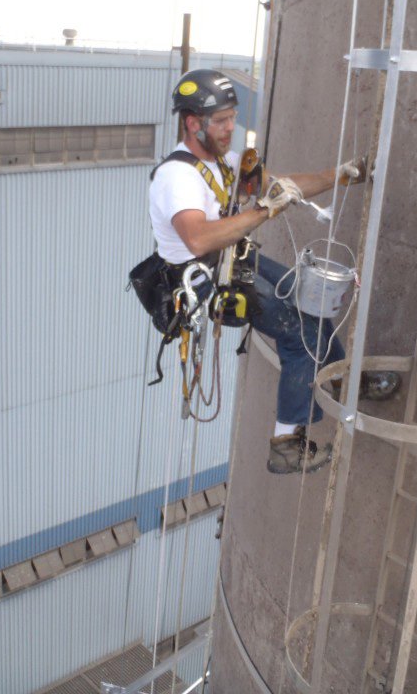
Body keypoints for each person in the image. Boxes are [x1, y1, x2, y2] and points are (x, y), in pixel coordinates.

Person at [148, 69, 399, 474]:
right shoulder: (177, 178)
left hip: (233, 261)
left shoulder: (224, 163)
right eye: (221, 120)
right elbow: (197, 239)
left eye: (232, 116)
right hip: (208, 282)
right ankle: (285, 444)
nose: (231, 127)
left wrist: (339, 175)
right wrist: (264, 210)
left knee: (311, 302)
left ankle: (336, 379)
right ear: (193, 124)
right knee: (299, 336)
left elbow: (281, 184)